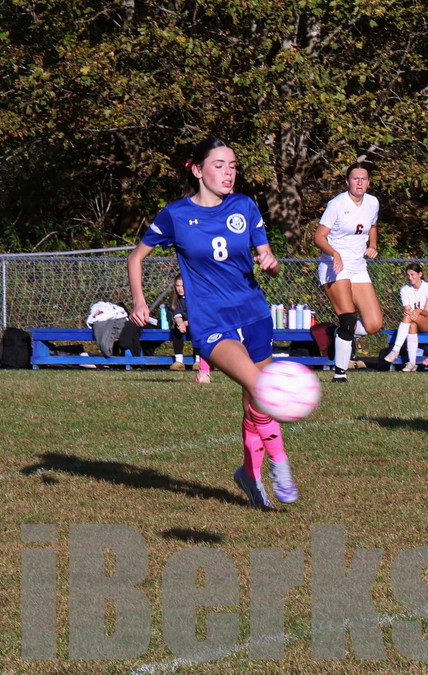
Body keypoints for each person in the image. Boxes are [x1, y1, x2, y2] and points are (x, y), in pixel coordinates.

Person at [127, 136, 297, 508]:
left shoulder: (244, 206)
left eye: (232, 166)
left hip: (253, 314)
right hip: (211, 323)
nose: (228, 173)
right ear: (197, 170)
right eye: (219, 165)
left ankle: (249, 475)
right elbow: (135, 257)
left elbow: (267, 258)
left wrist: (271, 264)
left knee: (255, 402)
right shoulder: (175, 215)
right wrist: (139, 301)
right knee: (263, 388)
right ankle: (280, 463)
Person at [315, 162, 383, 383]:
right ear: (347, 181)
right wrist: (334, 254)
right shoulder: (337, 204)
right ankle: (340, 373)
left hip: (358, 266)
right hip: (335, 265)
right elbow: (319, 237)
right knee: (348, 318)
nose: (359, 182)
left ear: (369, 182)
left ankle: (337, 334)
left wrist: (373, 245)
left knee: (374, 324)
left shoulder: (372, 202)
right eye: (355, 178)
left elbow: (373, 226)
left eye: (363, 179)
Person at [383, 262, 428, 371]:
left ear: (420, 274)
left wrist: (418, 311)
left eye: (413, 275)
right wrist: (411, 312)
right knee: (411, 323)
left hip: (427, 322)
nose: (410, 278)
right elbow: (407, 309)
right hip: (412, 321)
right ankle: (411, 362)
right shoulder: (405, 289)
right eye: (408, 275)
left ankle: (396, 349)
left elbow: (426, 312)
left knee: (410, 316)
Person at [168, 274, 213, 383]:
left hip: (198, 324)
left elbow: (199, 315)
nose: (180, 289)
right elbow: (177, 313)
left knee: (197, 331)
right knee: (176, 331)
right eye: (177, 286)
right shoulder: (174, 298)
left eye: (182, 286)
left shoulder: (196, 297)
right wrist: (180, 324)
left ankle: (198, 360)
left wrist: (187, 323)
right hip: (184, 324)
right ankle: (179, 361)